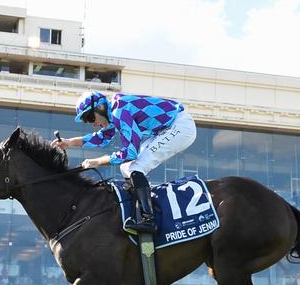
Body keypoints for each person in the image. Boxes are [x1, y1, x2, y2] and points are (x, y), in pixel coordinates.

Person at [52, 90, 197, 234]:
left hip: (179, 126)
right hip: (166, 129)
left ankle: (149, 220)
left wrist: (98, 162)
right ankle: (142, 209)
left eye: (90, 117)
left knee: (136, 168)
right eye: (87, 120)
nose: (92, 123)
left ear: (100, 107)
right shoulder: (114, 111)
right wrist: (69, 142)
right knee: (127, 168)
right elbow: (102, 137)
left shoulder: (119, 111)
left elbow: (130, 152)